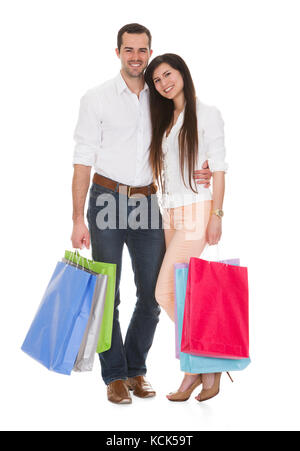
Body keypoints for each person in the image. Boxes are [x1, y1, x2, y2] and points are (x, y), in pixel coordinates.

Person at [71, 25, 212, 404]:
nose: (136, 56)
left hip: (148, 202)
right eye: (129, 49)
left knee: (152, 295)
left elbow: (184, 136)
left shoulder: (159, 98)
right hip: (104, 200)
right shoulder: (96, 98)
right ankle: (114, 375)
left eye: (143, 50)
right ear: (117, 51)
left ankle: (135, 368)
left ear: (150, 53)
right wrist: (76, 218)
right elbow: (82, 161)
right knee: (108, 293)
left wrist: (207, 169)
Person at [144, 53, 228, 402]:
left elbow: (219, 168)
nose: (164, 83)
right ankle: (197, 368)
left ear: (182, 73)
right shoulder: (165, 120)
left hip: (196, 210)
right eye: (157, 81)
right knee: (181, 291)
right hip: (170, 212)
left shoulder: (206, 113)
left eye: (168, 74)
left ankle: (201, 364)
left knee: (163, 292)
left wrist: (216, 216)